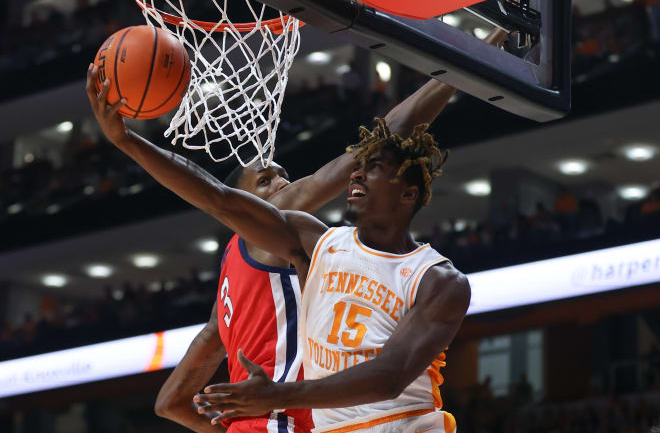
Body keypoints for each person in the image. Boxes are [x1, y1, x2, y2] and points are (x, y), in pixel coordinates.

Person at [86, 27, 503, 429]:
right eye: (266, 182)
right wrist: (125, 142)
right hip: (291, 418)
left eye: (283, 175)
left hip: (323, 414)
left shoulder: (252, 266)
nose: (285, 185)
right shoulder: (298, 239)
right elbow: (217, 197)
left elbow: (170, 402)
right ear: (250, 205)